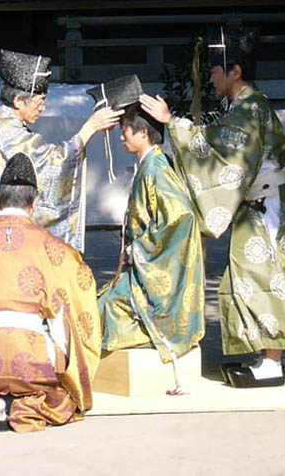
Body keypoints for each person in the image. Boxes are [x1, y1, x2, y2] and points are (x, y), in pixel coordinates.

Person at [141, 26, 285, 388]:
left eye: (215, 70)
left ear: (235, 72)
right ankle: (275, 354)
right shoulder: (246, 106)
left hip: (265, 206)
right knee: (269, 278)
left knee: (259, 279)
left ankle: (271, 362)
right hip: (268, 202)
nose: (210, 77)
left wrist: (169, 123)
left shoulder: (249, 108)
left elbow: (217, 151)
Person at [0, 49, 119, 314]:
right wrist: (88, 129)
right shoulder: (3, 128)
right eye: (39, 100)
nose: (43, 106)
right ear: (18, 100)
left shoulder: (1, 120)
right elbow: (45, 164)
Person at [0, 153, 101, 432]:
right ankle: (25, 400)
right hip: (35, 360)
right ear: (35, 204)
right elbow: (79, 304)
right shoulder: (55, 249)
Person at [95, 76, 204, 381]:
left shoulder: (157, 169)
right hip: (141, 267)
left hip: (154, 272)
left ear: (142, 133)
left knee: (106, 309)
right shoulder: (150, 165)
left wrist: (139, 249)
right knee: (98, 302)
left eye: (124, 131)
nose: (121, 138)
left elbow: (181, 219)